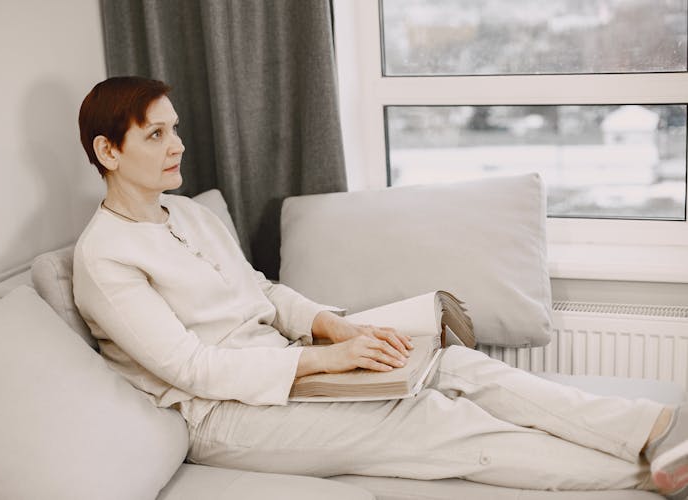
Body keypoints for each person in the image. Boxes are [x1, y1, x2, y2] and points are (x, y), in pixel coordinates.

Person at [72, 76, 687, 497]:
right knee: (430, 423)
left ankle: (656, 427)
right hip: (222, 417)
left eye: (174, 128)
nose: (177, 144)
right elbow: (194, 370)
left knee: (457, 368)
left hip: (284, 367)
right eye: (155, 135)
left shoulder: (189, 213)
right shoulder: (104, 258)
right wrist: (326, 361)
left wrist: (335, 325)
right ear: (108, 150)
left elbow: (262, 292)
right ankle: (646, 477)